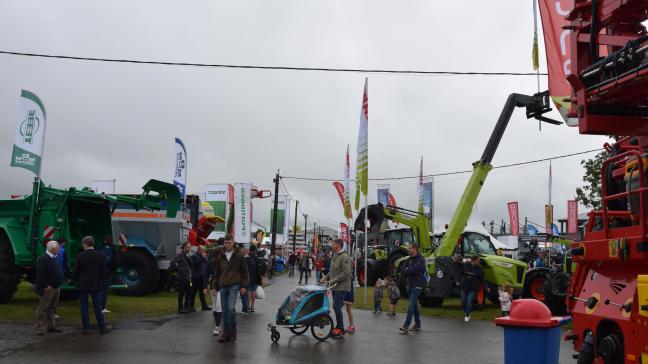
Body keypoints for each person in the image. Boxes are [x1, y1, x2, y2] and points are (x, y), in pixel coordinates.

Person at [213, 235, 249, 343]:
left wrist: (244, 286)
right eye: (225, 243)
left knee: (230, 308)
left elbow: (245, 272)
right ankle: (225, 334)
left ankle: (233, 332)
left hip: (234, 284)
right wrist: (214, 287)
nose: (227, 244)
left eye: (229, 242)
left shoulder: (239, 255)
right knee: (224, 310)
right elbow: (217, 273)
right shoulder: (220, 256)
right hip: (223, 285)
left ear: (233, 242)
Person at [74, 236, 109, 335]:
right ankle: (102, 327)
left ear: (85, 244)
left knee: (84, 307)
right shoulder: (100, 255)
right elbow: (104, 271)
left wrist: (75, 279)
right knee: (98, 306)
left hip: (83, 284)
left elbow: (76, 271)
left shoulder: (80, 256)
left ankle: (86, 329)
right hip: (95, 284)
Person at [320, 238, 351, 339]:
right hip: (335, 286)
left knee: (336, 307)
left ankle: (340, 329)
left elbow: (346, 273)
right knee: (336, 307)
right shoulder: (334, 256)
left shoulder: (345, 256)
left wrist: (334, 280)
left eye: (333, 244)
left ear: (338, 245)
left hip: (342, 286)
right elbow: (332, 271)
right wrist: (326, 277)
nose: (331, 246)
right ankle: (338, 327)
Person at [35, 240, 63, 335]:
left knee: (53, 308)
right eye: (57, 248)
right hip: (48, 288)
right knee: (43, 308)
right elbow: (40, 274)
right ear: (53, 249)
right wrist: (45, 286)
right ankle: (39, 328)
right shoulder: (43, 259)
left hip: (56, 287)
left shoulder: (53, 258)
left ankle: (51, 326)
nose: (58, 250)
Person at [399, 243, 426, 333]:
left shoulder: (421, 259)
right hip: (410, 285)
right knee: (414, 306)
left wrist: (408, 270)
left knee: (411, 305)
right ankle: (417, 324)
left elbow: (417, 270)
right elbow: (403, 270)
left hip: (417, 285)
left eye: (410, 248)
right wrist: (408, 270)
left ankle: (406, 325)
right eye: (409, 248)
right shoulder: (409, 259)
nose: (409, 250)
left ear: (415, 249)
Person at [460, 255, 488, 322]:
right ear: (473, 260)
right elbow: (461, 273)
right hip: (464, 287)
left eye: (479, 261)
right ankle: (466, 311)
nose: (479, 262)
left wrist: (486, 286)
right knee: (463, 302)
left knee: (469, 301)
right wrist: (458, 281)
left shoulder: (479, 269)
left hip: (473, 288)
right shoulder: (466, 265)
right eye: (477, 261)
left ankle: (467, 315)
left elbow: (482, 279)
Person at [171, 242, 193, 314]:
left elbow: (191, 264)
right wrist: (179, 270)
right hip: (182, 277)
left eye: (190, 247)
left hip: (188, 277)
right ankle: (180, 308)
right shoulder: (180, 255)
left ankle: (187, 306)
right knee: (181, 293)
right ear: (184, 248)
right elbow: (172, 262)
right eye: (188, 247)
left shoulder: (187, 255)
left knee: (189, 292)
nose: (190, 249)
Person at [206, 247, 224, 336]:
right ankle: (218, 324)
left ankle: (217, 326)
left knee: (218, 306)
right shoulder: (212, 263)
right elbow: (208, 274)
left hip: (222, 287)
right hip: (214, 286)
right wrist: (207, 286)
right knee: (214, 307)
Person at [190, 245, 211, 311]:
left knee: (202, 293)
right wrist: (202, 257)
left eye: (204, 250)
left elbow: (206, 264)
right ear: (198, 250)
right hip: (196, 277)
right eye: (202, 250)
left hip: (203, 277)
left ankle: (204, 306)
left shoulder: (203, 257)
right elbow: (196, 264)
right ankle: (191, 306)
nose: (204, 252)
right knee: (193, 292)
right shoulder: (194, 256)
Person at [100, 235, 115, 314]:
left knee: (103, 290)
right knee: (104, 290)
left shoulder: (103, 246)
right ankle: (102, 307)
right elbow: (106, 260)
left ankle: (102, 307)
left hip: (104, 272)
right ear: (109, 240)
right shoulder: (107, 248)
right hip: (106, 272)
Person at [247, 245, 261, 313]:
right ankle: (252, 306)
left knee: (249, 291)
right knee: (253, 291)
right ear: (255, 250)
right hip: (255, 277)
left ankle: (248, 306)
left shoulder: (246, 257)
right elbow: (259, 269)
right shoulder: (257, 258)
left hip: (248, 277)